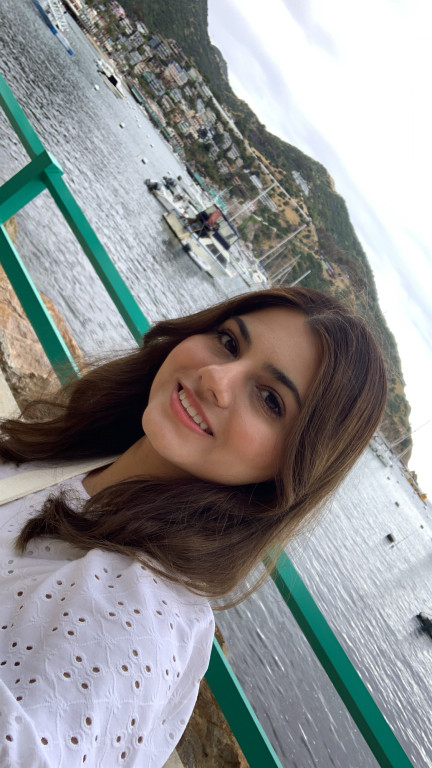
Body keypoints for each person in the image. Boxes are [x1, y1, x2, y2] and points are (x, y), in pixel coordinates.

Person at [0, 286, 387, 767]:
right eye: (229, 342)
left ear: (291, 467)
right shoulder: (85, 454)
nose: (215, 378)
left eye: (270, 400)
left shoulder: (138, 614)